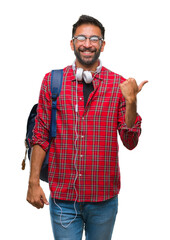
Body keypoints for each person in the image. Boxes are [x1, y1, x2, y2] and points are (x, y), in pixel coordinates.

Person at [26, 15, 148, 240]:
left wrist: (131, 102)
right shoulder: (52, 81)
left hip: (103, 199)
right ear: (72, 43)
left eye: (94, 38)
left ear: (103, 44)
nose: (88, 43)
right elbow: (41, 134)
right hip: (63, 199)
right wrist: (33, 182)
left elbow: (130, 141)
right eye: (81, 37)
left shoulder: (118, 85)